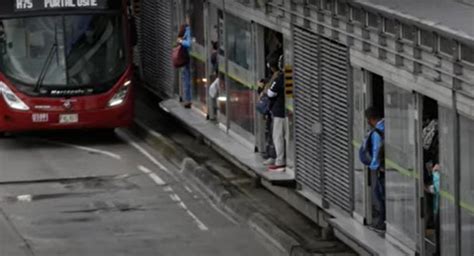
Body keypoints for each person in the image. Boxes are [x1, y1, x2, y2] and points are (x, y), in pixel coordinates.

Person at [363, 107, 386, 232]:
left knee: (380, 195)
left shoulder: (377, 132)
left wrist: (373, 166)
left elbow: (376, 150)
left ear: (371, 119)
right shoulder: (388, 125)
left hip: (382, 169)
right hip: (391, 168)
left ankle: (382, 223)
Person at [266, 56, 286, 171]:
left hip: (279, 112)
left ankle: (280, 161)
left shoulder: (280, 78)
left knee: (278, 136)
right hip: (289, 113)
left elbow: (270, 93)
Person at [177, 17, 192, 108]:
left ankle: (188, 99)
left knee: (186, 79)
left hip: (188, 59)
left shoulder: (188, 30)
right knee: (185, 78)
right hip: (186, 58)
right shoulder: (187, 30)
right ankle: (187, 98)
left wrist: (181, 41)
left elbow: (188, 43)